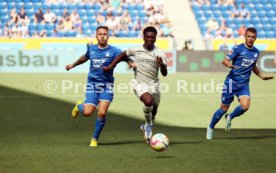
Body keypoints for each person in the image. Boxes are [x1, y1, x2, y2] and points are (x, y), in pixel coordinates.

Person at [102, 26, 168, 143]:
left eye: (152, 37)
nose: (150, 39)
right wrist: (110, 66)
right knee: (148, 101)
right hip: (139, 82)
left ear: (155, 38)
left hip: (154, 84)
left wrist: (161, 64)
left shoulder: (159, 53)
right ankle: (149, 126)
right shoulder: (135, 49)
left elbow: (164, 73)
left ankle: (147, 125)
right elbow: (123, 55)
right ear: (143, 37)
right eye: (148, 37)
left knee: (154, 108)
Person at [206, 27, 274, 140]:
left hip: (244, 84)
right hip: (231, 82)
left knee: (245, 106)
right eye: (249, 36)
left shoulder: (256, 52)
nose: (250, 39)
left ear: (255, 38)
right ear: (245, 36)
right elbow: (225, 60)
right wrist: (229, 65)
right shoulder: (238, 48)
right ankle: (211, 127)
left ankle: (230, 117)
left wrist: (262, 76)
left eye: (253, 37)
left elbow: (253, 66)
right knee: (223, 108)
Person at [65, 26, 122, 147]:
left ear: (108, 36)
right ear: (96, 36)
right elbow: (84, 58)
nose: (102, 36)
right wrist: (73, 64)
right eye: (100, 34)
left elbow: (124, 56)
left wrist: (131, 62)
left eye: (104, 34)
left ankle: (94, 139)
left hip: (107, 86)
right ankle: (78, 106)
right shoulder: (91, 49)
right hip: (92, 85)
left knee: (101, 113)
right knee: (87, 112)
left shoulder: (114, 51)